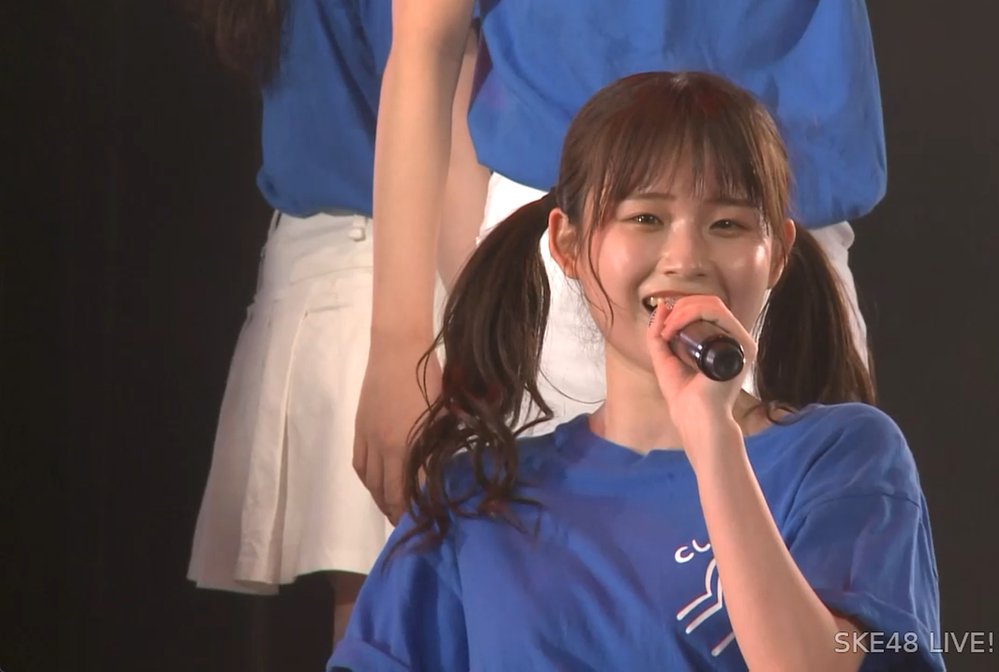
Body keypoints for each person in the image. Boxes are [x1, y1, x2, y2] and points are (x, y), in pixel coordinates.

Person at [331, 72, 941, 671]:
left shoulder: (844, 457)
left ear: (777, 253)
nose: (686, 259)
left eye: (727, 224)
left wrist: (713, 437)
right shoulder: (476, 496)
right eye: (646, 218)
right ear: (568, 245)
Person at [357, 0, 886, 524]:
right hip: (579, 246)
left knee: (807, 549)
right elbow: (428, 43)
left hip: (774, 237)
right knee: (547, 558)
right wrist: (399, 343)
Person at [183, 0, 489, 642]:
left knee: (384, 611)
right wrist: (489, 324)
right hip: (404, 272)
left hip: (321, 269)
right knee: (414, 609)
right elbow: (444, 99)